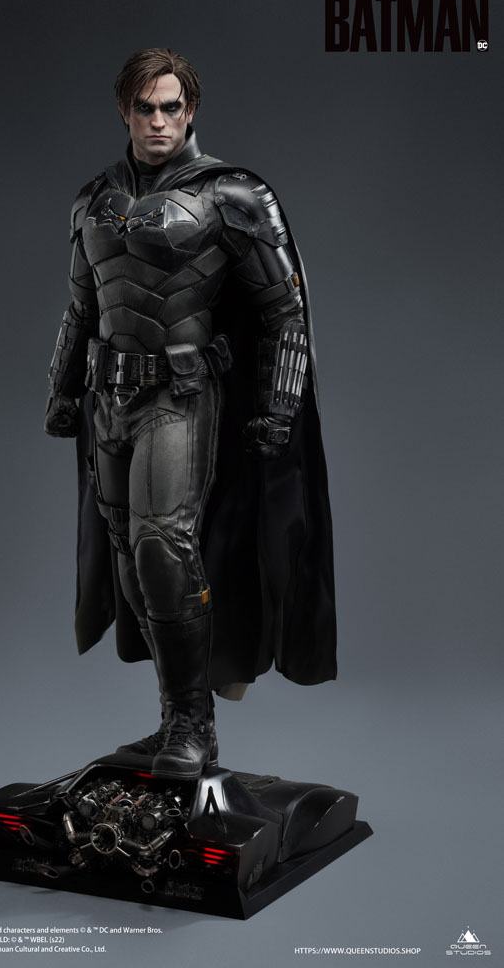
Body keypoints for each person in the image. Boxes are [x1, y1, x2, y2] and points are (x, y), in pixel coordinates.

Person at [44, 48, 337, 780]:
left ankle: (193, 728)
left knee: (162, 547)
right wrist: (61, 388)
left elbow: (285, 311)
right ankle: (176, 713)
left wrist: (278, 406)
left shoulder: (232, 195)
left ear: (191, 109)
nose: (158, 121)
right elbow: (81, 307)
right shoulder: (92, 200)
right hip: (110, 399)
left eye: (170, 107)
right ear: (124, 110)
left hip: (180, 396)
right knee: (128, 561)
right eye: (144, 107)